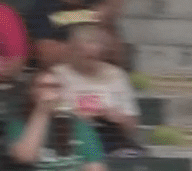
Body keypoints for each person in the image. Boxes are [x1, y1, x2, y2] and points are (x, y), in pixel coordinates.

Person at [9, 71, 109, 171]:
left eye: (55, 87)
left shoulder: (79, 125)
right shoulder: (19, 124)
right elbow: (25, 157)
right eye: (43, 86)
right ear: (32, 92)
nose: (50, 91)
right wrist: (42, 112)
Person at [54, 24, 139, 155]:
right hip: (73, 137)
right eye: (84, 54)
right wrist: (80, 115)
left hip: (110, 136)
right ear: (73, 50)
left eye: (94, 55)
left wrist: (119, 118)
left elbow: (132, 127)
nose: (90, 59)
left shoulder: (117, 75)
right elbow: (52, 116)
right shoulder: (58, 75)